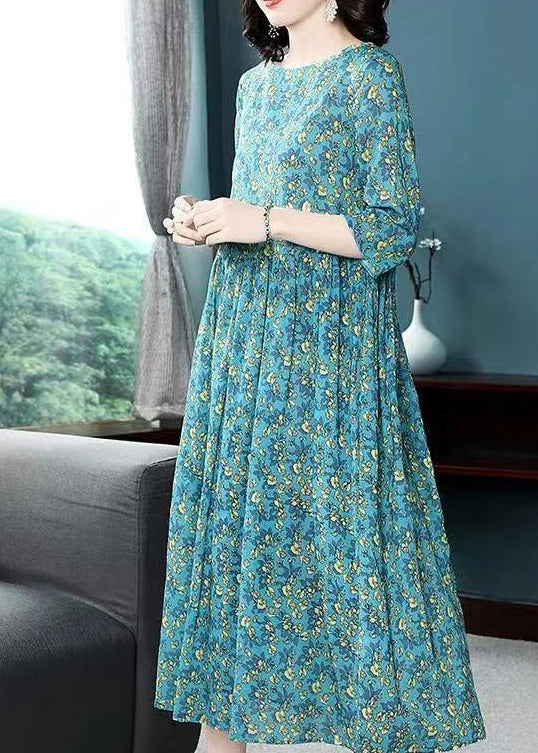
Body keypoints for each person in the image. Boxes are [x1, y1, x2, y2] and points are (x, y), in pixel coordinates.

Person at [154, 1, 487, 752]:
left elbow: (391, 227)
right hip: (243, 339)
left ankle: (374, 726)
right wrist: (209, 220)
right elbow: (252, 213)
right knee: (236, 537)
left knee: (350, 545)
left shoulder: (370, 77)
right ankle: (221, 737)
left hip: (330, 347)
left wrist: (266, 219)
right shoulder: (255, 86)